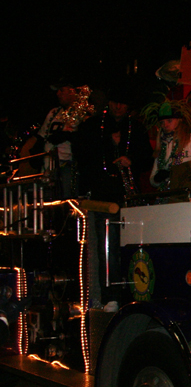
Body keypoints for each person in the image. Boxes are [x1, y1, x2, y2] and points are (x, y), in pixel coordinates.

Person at [75, 85, 151, 310]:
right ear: (109, 103)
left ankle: (133, 292)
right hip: (102, 195)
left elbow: (146, 158)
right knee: (106, 247)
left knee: (131, 246)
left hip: (128, 196)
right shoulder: (92, 127)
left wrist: (131, 159)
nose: (119, 107)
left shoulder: (135, 128)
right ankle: (111, 295)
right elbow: (82, 157)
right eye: (115, 102)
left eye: (123, 103)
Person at [36, 80, 93, 197]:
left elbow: (87, 140)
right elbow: (42, 136)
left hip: (69, 166)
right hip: (48, 165)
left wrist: (68, 136)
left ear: (73, 92)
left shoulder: (84, 114)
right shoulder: (54, 112)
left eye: (62, 90)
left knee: (67, 198)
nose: (58, 94)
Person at [143, 99, 191, 194]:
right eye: (162, 122)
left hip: (187, 192)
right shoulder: (162, 146)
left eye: (169, 121)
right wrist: (157, 178)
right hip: (167, 194)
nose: (165, 125)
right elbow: (152, 181)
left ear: (179, 120)